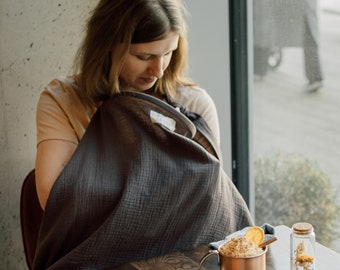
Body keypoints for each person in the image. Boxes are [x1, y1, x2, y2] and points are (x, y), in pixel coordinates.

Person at [33, 0, 253, 269]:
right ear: (108, 46)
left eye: (169, 53)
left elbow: (208, 207)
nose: (158, 70)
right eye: (144, 57)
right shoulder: (64, 100)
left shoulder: (193, 106)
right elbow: (56, 200)